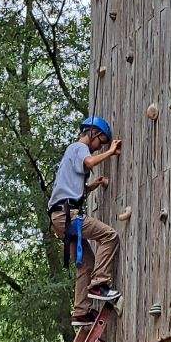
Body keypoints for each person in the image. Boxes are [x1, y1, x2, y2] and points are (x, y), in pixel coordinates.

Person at [48, 115, 121, 327]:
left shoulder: (70, 155)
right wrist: (110, 152)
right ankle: (99, 284)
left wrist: (93, 185)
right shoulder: (79, 147)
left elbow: (71, 190)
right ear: (92, 133)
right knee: (110, 236)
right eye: (101, 141)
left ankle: (81, 311)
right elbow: (89, 161)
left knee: (86, 263)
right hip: (68, 216)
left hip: (60, 217)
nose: (99, 147)